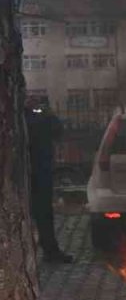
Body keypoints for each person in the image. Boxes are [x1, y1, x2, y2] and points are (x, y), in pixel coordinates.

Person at [25, 96, 73, 263]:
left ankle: (50, 251)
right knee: (42, 214)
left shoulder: (39, 117)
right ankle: (48, 251)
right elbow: (57, 131)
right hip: (33, 171)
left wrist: (46, 114)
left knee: (44, 214)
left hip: (38, 171)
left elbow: (58, 131)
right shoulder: (29, 117)